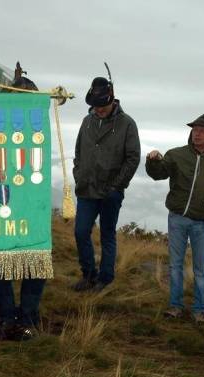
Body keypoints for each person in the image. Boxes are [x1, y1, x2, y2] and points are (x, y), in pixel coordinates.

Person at [146, 111, 204, 323]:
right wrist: (153, 160)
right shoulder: (176, 154)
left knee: (200, 270)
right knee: (175, 265)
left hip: (203, 222)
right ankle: (175, 306)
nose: (196, 134)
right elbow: (158, 174)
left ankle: (200, 310)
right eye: (194, 130)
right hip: (177, 218)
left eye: (202, 131)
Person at [72, 76, 140, 292]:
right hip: (86, 188)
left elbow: (133, 158)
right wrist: (78, 174)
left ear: (112, 99)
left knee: (107, 234)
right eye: (95, 105)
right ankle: (88, 275)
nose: (99, 109)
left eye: (103, 105)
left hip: (111, 192)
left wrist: (117, 186)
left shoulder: (127, 123)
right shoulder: (87, 120)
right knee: (81, 232)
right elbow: (78, 152)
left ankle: (105, 279)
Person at [0, 62, 46, 341]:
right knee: (4, 263)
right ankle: (7, 315)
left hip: (31, 200)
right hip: (2, 196)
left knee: (34, 262)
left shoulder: (39, 128)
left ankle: (26, 315)